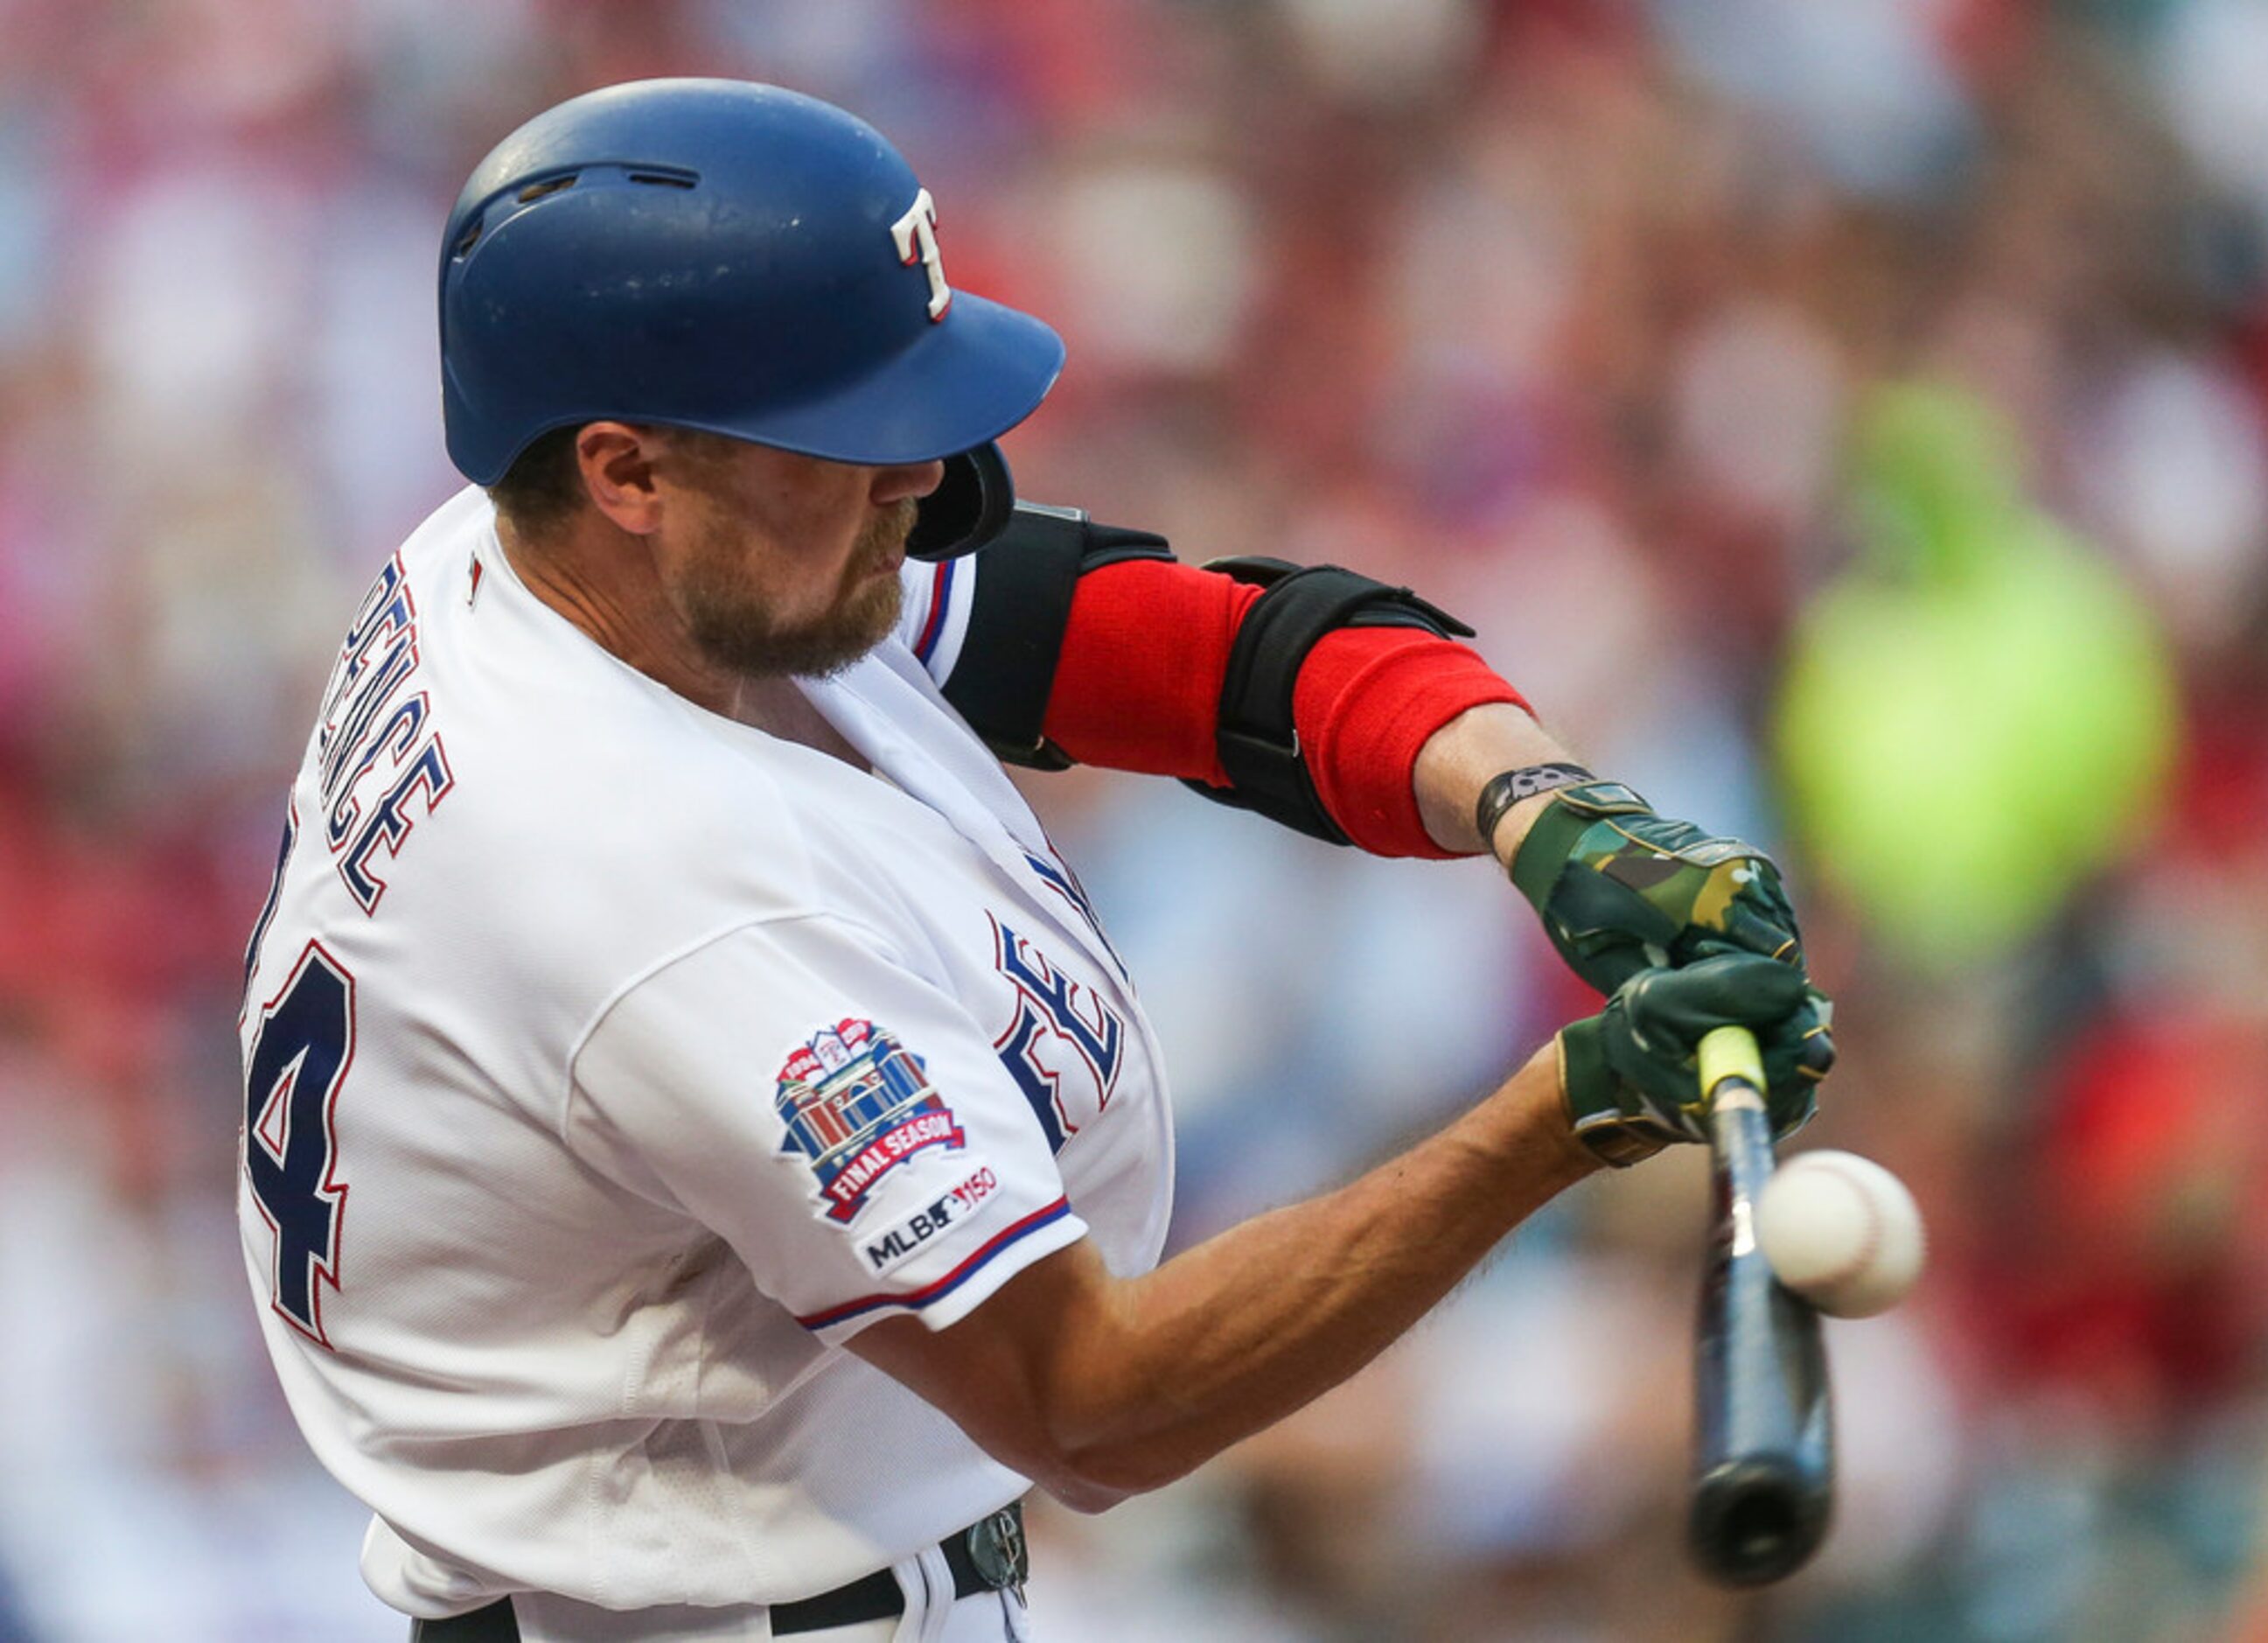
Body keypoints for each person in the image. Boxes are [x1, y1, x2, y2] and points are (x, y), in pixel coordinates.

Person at [236, 78, 1832, 1643]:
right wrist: (1576, 1109)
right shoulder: (652, 891)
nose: (918, 475)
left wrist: (1533, 798)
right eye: (841, 433)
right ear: (628, 471)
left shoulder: (548, 559)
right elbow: (1095, 1410)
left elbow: (1166, 650)